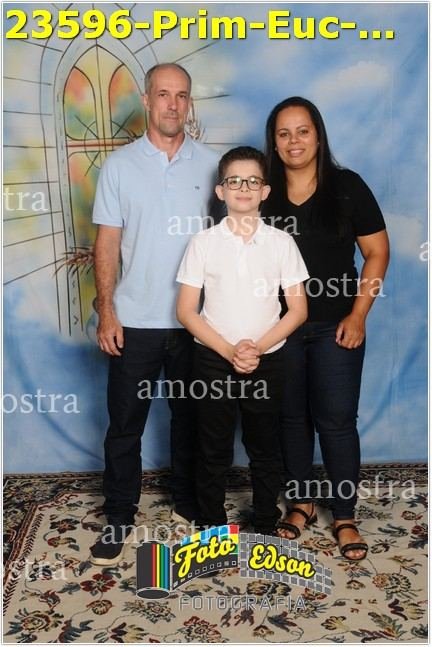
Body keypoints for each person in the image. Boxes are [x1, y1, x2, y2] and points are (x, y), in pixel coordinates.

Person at [90, 63, 218, 566]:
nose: (172, 104)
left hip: (194, 322)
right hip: (134, 320)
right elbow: (107, 243)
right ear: (146, 100)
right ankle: (119, 515)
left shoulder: (213, 166)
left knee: (193, 419)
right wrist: (107, 311)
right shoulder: (119, 167)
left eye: (181, 95)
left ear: (189, 103)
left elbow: (228, 243)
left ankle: (188, 502)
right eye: (163, 94)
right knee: (125, 426)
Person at [261, 97, 390, 560]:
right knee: (291, 418)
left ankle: (345, 515)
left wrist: (358, 315)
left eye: (303, 131)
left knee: (336, 421)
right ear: (274, 142)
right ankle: (301, 503)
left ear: (318, 135)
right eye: (283, 133)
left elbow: (377, 252)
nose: (294, 141)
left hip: (337, 325)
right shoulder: (263, 193)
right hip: (280, 329)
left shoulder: (347, 187)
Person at [176, 146, 309, 534]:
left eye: (253, 181)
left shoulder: (281, 243)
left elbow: (298, 310)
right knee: (212, 447)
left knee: (264, 446)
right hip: (213, 359)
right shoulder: (203, 243)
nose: (244, 188)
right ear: (221, 191)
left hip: (266, 359)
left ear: (265, 191)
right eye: (234, 181)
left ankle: (265, 525)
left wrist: (257, 349)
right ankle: (213, 529)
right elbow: (186, 311)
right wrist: (230, 350)